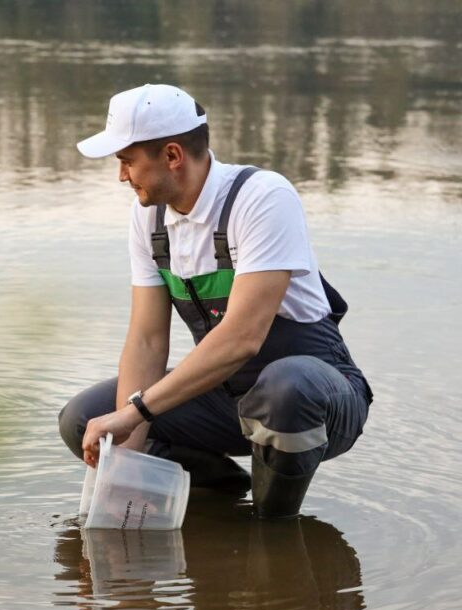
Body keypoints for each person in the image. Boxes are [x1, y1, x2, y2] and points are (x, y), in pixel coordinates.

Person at [59, 84, 372, 518]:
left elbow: (242, 338)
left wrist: (137, 411)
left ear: (172, 156)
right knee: (86, 420)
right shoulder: (148, 216)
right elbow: (148, 341)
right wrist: (122, 471)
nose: (121, 176)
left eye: (127, 162)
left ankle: (272, 525)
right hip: (224, 398)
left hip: (312, 399)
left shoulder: (263, 197)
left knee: (285, 388)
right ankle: (221, 492)